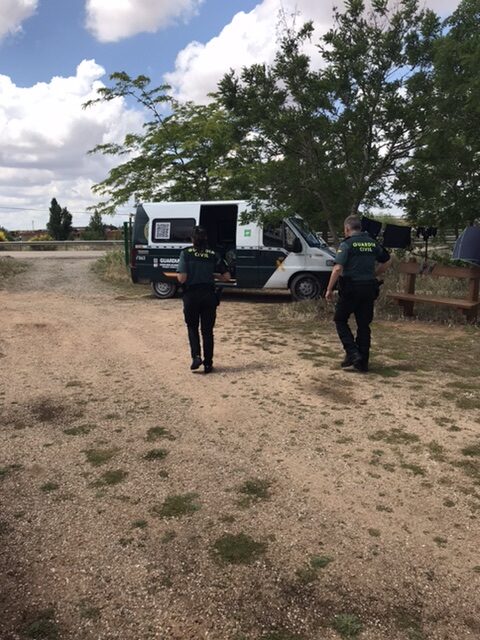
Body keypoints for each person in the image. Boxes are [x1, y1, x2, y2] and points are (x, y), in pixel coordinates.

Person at [325, 215, 391, 372]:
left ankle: (353, 353)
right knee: (363, 325)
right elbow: (388, 260)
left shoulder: (347, 244)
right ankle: (363, 362)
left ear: (347, 229)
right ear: (359, 228)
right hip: (369, 288)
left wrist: (329, 289)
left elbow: (338, 268)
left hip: (351, 288)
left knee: (340, 319)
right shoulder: (372, 243)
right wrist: (375, 274)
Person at [177, 227, 230, 373]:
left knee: (192, 328)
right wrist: (212, 276)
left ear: (192, 239)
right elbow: (226, 277)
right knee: (207, 331)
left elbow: (182, 278)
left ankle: (196, 356)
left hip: (191, 296)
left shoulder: (185, 254)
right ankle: (208, 363)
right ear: (206, 239)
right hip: (209, 296)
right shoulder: (213, 254)